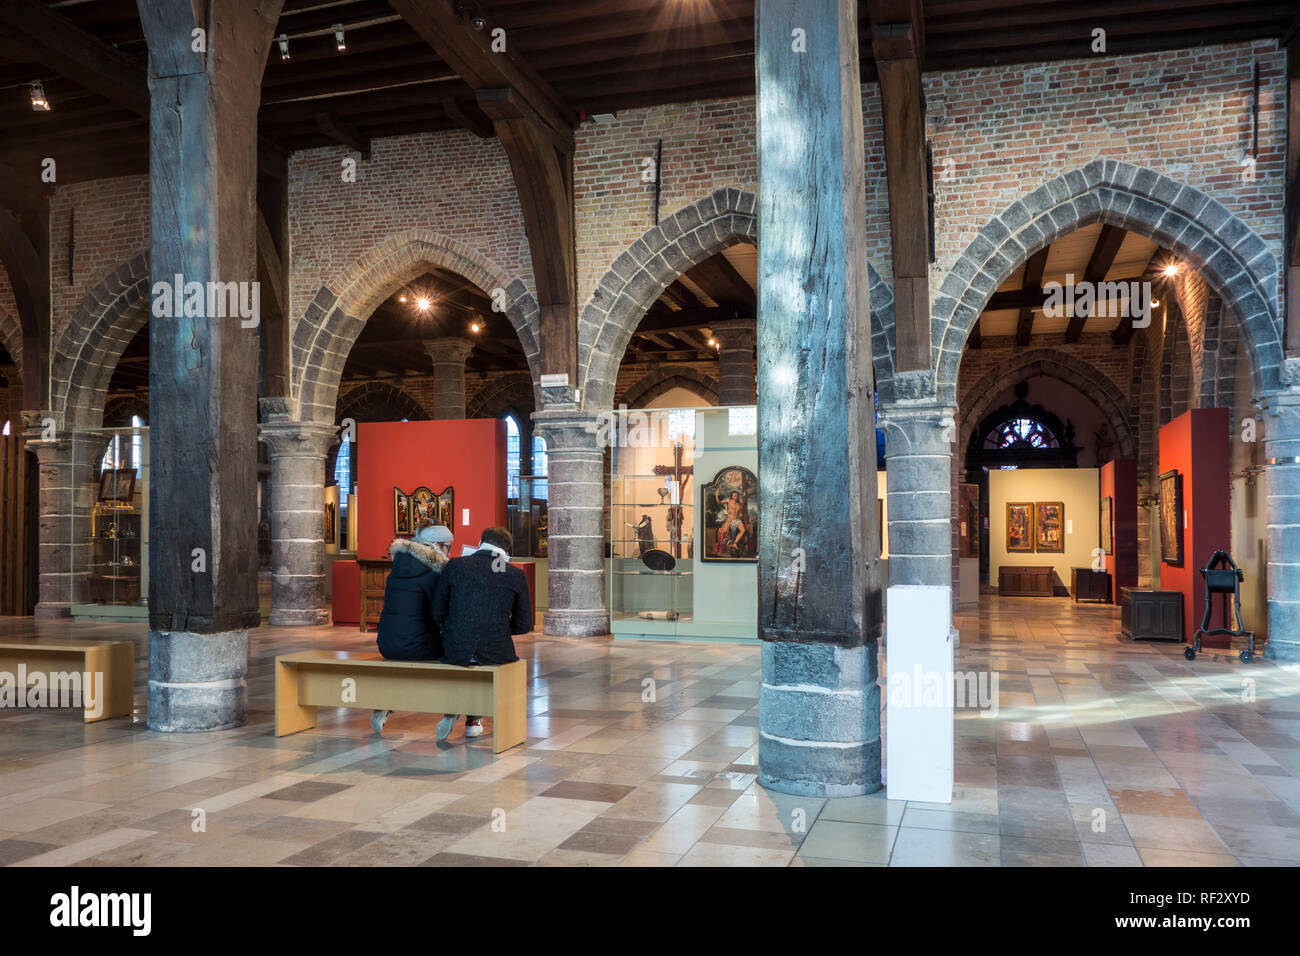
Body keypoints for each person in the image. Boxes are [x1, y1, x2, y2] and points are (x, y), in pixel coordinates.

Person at [430, 526, 532, 741]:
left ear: (479, 542)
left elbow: (437, 610)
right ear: (507, 550)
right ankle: (473, 720)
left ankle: (458, 708)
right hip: (496, 648)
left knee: (467, 658)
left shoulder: (455, 566)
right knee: (490, 664)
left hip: (456, 646)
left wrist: (457, 625)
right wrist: (499, 627)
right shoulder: (515, 574)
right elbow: (524, 625)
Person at [369, 520, 453, 734]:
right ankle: (455, 710)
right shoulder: (433, 571)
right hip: (419, 647)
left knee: (411, 646)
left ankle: (385, 704)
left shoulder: (399, 565)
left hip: (387, 644)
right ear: (435, 544)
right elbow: (440, 613)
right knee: (461, 653)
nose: (449, 552)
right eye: (448, 547)